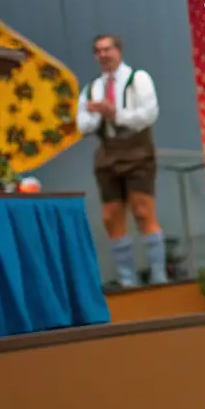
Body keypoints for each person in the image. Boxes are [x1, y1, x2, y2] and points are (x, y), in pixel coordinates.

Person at [76, 34, 165, 287]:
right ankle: (127, 279)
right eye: (98, 51)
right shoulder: (92, 88)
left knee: (142, 208)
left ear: (119, 51)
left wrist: (116, 114)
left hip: (136, 149)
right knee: (111, 214)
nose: (103, 55)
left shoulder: (138, 79)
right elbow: (82, 124)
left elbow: (148, 114)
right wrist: (98, 114)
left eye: (107, 49)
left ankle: (158, 274)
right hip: (108, 152)